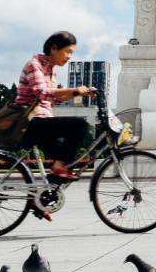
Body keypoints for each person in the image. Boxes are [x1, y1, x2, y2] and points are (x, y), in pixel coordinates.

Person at [12, 31, 96, 182]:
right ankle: (57, 169)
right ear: (54, 49)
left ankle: (44, 199)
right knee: (80, 125)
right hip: (28, 121)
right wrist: (75, 90)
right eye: (68, 51)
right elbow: (42, 93)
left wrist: (78, 94)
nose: (70, 56)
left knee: (66, 160)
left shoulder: (51, 70)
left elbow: (54, 100)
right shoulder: (34, 65)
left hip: (42, 120)